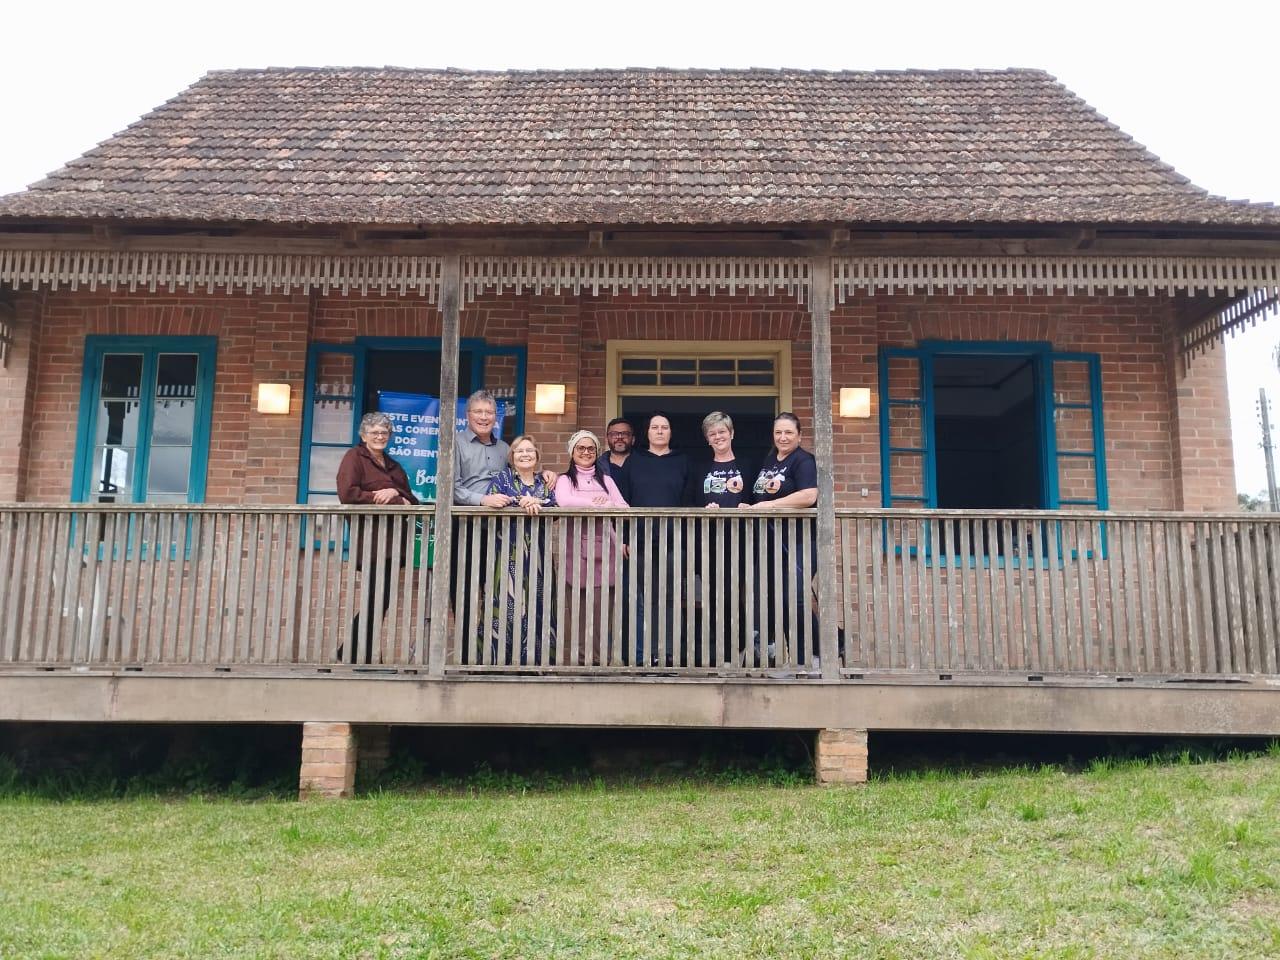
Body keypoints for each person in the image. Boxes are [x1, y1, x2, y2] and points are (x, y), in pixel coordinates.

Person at [452, 389, 555, 661]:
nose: (484, 417)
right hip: (467, 528)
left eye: (489, 412)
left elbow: (522, 478)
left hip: (501, 535)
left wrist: (544, 474)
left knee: (499, 593)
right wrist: (482, 500)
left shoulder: (503, 449)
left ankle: (494, 654)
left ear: (496, 417)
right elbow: (450, 488)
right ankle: (466, 655)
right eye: (479, 412)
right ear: (468, 415)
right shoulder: (455, 444)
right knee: (464, 590)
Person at [336, 412, 419, 664]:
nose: (380, 436)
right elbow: (347, 493)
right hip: (371, 541)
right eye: (375, 433)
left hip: (395, 543)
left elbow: (411, 499)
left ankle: (351, 652)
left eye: (384, 433)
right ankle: (364, 656)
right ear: (364, 436)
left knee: (380, 599)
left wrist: (395, 491)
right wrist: (379, 497)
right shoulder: (354, 458)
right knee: (375, 598)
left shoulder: (393, 464)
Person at [739, 412, 820, 670]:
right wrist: (750, 505)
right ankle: (778, 656)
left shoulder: (804, 461)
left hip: (798, 541)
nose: (782, 437)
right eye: (778, 433)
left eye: (788, 433)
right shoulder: (770, 460)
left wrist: (769, 505)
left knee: (793, 599)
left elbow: (809, 495)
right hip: (769, 544)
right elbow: (760, 495)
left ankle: (811, 659)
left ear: (799, 435)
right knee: (774, 599)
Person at [553, 430, 628, 666]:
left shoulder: (607, 480)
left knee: (602, 610)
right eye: (580, 448)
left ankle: (600, 659)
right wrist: (595, 504)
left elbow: (624, 507)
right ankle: (582, 660)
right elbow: (564, 502)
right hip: (575, 551)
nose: (586, 452)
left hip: (606, 549)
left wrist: (606, 504)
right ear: (572, 452)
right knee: (579, 610)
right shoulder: (564, 480)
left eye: (591, 449)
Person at [621, 411, 690, 665]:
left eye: (665, 427)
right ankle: (643, 653)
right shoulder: (634, 461)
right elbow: (624, 501)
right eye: (655, 427)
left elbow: (689, 500)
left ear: (671, 432)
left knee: (670, 598)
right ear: (647, 433)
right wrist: (625, 537)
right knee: (641, 599)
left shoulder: (682, 461)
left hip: (674, 542)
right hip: (639, 542)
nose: (660, 431)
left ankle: (668, 653)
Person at [485, 436, 557, 666]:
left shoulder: (544, 482)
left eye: (529, 451)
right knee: (507, 603)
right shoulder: (501, 478)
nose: (524, 454)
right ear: (512, 456)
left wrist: (537, 502)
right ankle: (498, 663)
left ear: (536, 456)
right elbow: (495, 501)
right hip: (508, 552)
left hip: (538, 554)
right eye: (519, 451)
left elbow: (553, 504)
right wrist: (521, 500)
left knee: (539, 603)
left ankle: (536, 663)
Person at [691, 411, 752, 664]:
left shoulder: (749, 465)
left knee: (745, 594)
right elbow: (689, 501)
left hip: (743, 541)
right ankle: (722, 650)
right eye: (712, 433)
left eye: (722, 432)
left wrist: (749, 506)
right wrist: (703, 510)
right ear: (707, 439)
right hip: (710, 543)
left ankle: (745, 647)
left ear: (732, 433)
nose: (718, 437)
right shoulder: (700, 468)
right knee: (716, 596)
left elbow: (760, 498)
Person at [601, 417, 635, 489]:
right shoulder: (597, 466)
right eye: (614, 434)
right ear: (607, 440)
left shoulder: (644, 462)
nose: (619, 437)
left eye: (625, 434)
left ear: (633, 439)